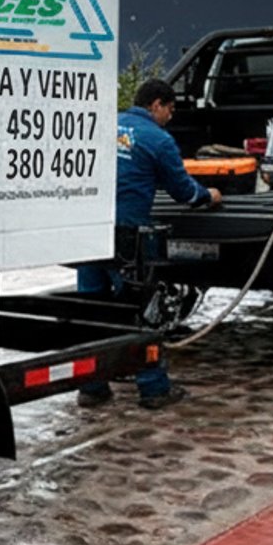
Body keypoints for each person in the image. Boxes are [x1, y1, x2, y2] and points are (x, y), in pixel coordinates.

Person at [78, 78, 223, 410]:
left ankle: (91, 387)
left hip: (87, 229)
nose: (170, 117)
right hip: (127, 237)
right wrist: (209, 195)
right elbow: (184, 192)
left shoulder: (102, 124)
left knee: (91, 308)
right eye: (169, 110)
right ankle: (154, 388)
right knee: (142, 309)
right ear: (157, 104)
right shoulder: (158, 139)